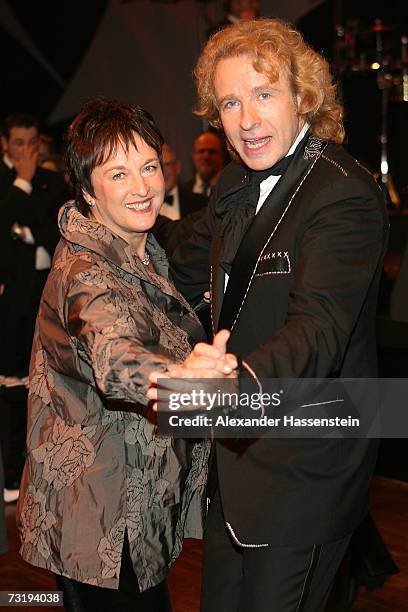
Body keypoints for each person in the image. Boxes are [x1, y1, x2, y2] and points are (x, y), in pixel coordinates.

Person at [149, 18, 389, 612]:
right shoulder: (233, 181)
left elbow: (318, 331)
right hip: (235, 464)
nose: (247, 120)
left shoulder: (344, 194)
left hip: (306, 466)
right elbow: (179, 277)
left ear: (302, 96)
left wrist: (226, 388)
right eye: (230, 102)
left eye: (263, 94)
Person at [15, 97, 224, 611]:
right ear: (87, 190)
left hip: (130, 504)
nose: (141, 187)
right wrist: (186, 375)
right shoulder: (85, 271)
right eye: (118, 173)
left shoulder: (141, 250)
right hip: (99, 519)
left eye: (148, 166)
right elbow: (116, 358)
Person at [0, 113, 69, 503]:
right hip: (11, 304)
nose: (26, 151)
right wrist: (22, 186)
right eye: (19, 143)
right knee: (11, 388)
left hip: (47, 296)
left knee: (45, 384)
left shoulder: (52, 181)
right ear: (6, 144)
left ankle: (41, 470)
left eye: (32, 143)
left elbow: (51, 232)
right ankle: (11, 473)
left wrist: (25, 229)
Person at [160, 143, 207, 220]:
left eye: (166, 164)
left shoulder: (201, 204)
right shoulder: (143, 205)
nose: (162, 171)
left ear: (178, 167)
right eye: (157, 166)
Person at [183, 131, 225, 197]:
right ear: (193, 156)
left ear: (222, 156)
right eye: (201, 151)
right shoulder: (183, 191)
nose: (206, 156)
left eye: (212, 151)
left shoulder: (231, 188)